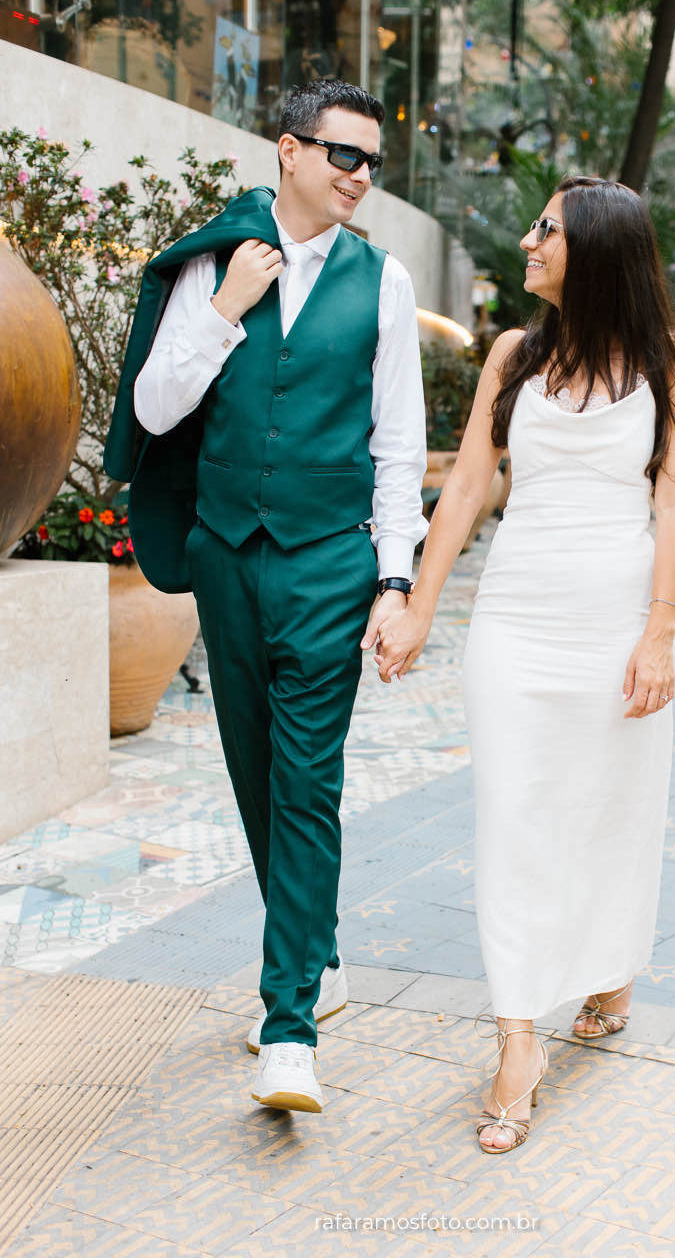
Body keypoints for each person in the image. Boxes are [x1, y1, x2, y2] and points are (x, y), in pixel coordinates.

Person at [103, 79, 427, 1114]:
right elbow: (154, 405)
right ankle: (319, 955)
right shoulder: (212, 263)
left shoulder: (382, 281)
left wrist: (394, 578)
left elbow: (398, 448)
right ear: (287, 150)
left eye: (372, 162)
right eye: (343, 155)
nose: (359, 177)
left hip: (330, 562)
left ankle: (288, 1024)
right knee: (253, 772)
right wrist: (226, 311)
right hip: (227, 557)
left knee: (307, 782)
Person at [376, 176, 675, 1154]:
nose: (526, 241)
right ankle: (517, 1037)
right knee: (514, 816)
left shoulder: (670, 360)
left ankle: (608, 966)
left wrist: (658, 632)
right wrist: (418, 606)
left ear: (595, 251)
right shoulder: (517, 355)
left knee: (609, 807)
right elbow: (472, 478)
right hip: (515, 621)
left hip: (612, 620)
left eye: (545, 231)